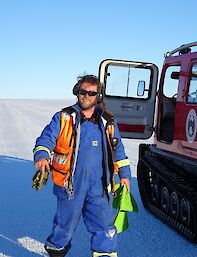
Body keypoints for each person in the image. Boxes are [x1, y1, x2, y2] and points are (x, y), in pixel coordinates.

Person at [33, 74, 131, 257]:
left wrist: (124, 174)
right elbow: (46, 138)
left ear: (98, 96)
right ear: (77, 92)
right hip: (70, 186)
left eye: (92, 93)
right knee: (64, 227)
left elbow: (119, 151)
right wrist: (42, 155)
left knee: (104, 227)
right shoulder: (64, 117)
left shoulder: (107, 121)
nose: (86, 96)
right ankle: (56, 252)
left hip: (100, 186)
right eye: (83, 91)